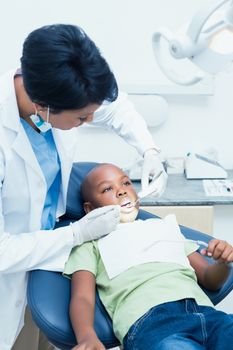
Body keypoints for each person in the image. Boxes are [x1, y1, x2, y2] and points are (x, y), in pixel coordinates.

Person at [0, 24, 167, 350]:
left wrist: (149, 150)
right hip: (10, 274)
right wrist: (77, 235)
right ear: (44, 106)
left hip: (50, 266)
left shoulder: (53, 92)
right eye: (81, 119)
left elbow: (115, 108)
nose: (90, 121)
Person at [64, 163, 233, 350]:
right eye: (107, 188)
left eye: (126, 183)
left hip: (208, 315)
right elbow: (82, 298)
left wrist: (222, 263)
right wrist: (87, 336)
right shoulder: (90, 244)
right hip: (152, 325)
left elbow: (210, 280)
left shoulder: (165, 228)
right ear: (89, 209)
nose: (121, 191)